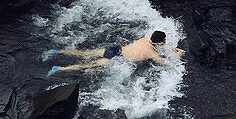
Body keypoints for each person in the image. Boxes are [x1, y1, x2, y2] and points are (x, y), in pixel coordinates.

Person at [45, 30, 185, 74]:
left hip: (115, 49)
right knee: (87, 65)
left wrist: (172, 48)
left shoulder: (144, 39)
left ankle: (57, 52)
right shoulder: (152, 54)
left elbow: (159, 46)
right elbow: (166, 63)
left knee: (84, 53)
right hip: (117, 59)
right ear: (162, 41)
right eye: (165, 40)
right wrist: (177, 54)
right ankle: (59, 69)